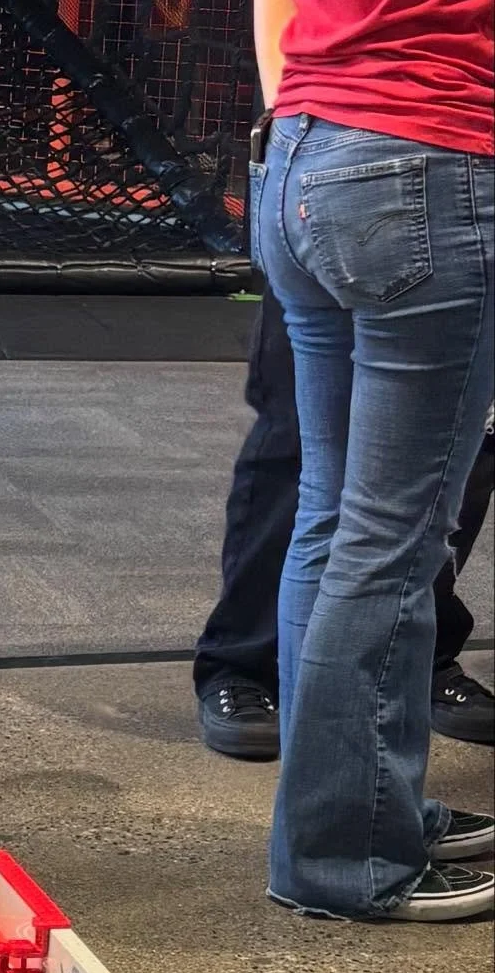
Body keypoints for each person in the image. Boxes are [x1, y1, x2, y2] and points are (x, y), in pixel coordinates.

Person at [250, 0, 494, 922]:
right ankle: (345, 856)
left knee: (336, 516)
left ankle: (355, 812)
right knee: (392, 537)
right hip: (430, 161)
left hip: (305, 154)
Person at [195, 284, 494, 759]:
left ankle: (417, 657)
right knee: (307, 446)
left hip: (474, 257)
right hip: (338, 250)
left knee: (464, 449)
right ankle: (245, 662)